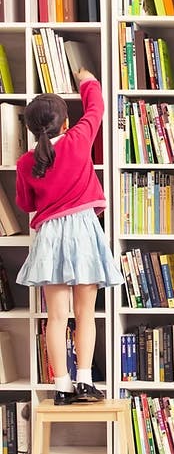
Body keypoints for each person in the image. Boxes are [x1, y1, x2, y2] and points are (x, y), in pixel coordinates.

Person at [15, 68, 123, 405]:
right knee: (85, 313)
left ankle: (61, 386)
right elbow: (96, 108)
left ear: (32, 130)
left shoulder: (26, 162)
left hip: (49, 238)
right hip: (82, 231)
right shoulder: (78, 140)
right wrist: (87, 80)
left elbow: (24, 203)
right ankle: (85, 381)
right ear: (65, 123)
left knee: (57, 317)